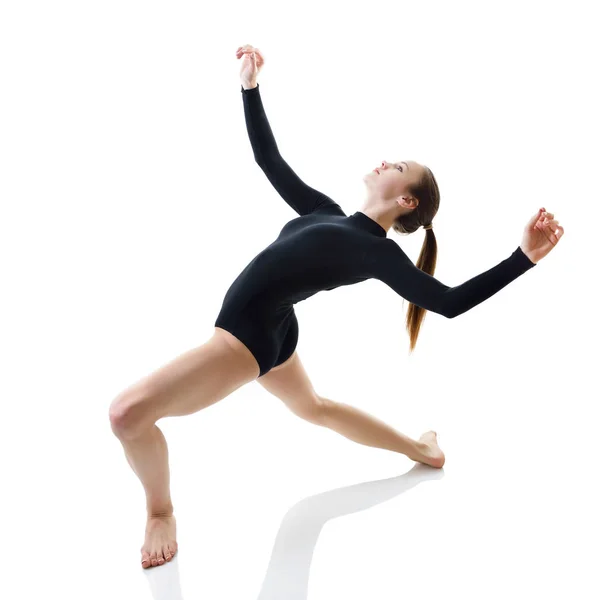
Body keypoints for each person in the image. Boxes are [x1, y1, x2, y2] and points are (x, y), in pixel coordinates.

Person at [108, 44, 564, 570]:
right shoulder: (327, 213)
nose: (383, 161)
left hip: (243, 340)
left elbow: (449, 302)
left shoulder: (375, 251)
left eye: (397, 166)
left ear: (406, 201)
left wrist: (522, 258)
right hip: (275, 329)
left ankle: (159, 511)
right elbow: (268, 161)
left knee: (127, 415)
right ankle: (423, 451)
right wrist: (250, 87)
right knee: (314, 408)